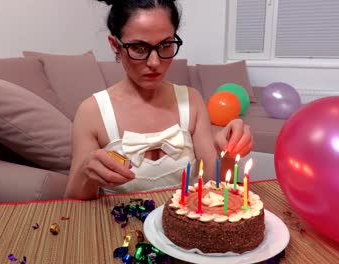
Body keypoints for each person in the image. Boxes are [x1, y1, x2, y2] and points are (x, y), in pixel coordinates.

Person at [65, 0, 253, 200]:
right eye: (138, 48)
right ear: (115, 46)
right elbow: (73, 201)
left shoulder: (191, 100)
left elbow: (213, 185)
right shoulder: (92, 111)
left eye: (165, 45)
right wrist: (87, 172)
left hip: (182, 227)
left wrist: (228, 154)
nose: (154, 62)